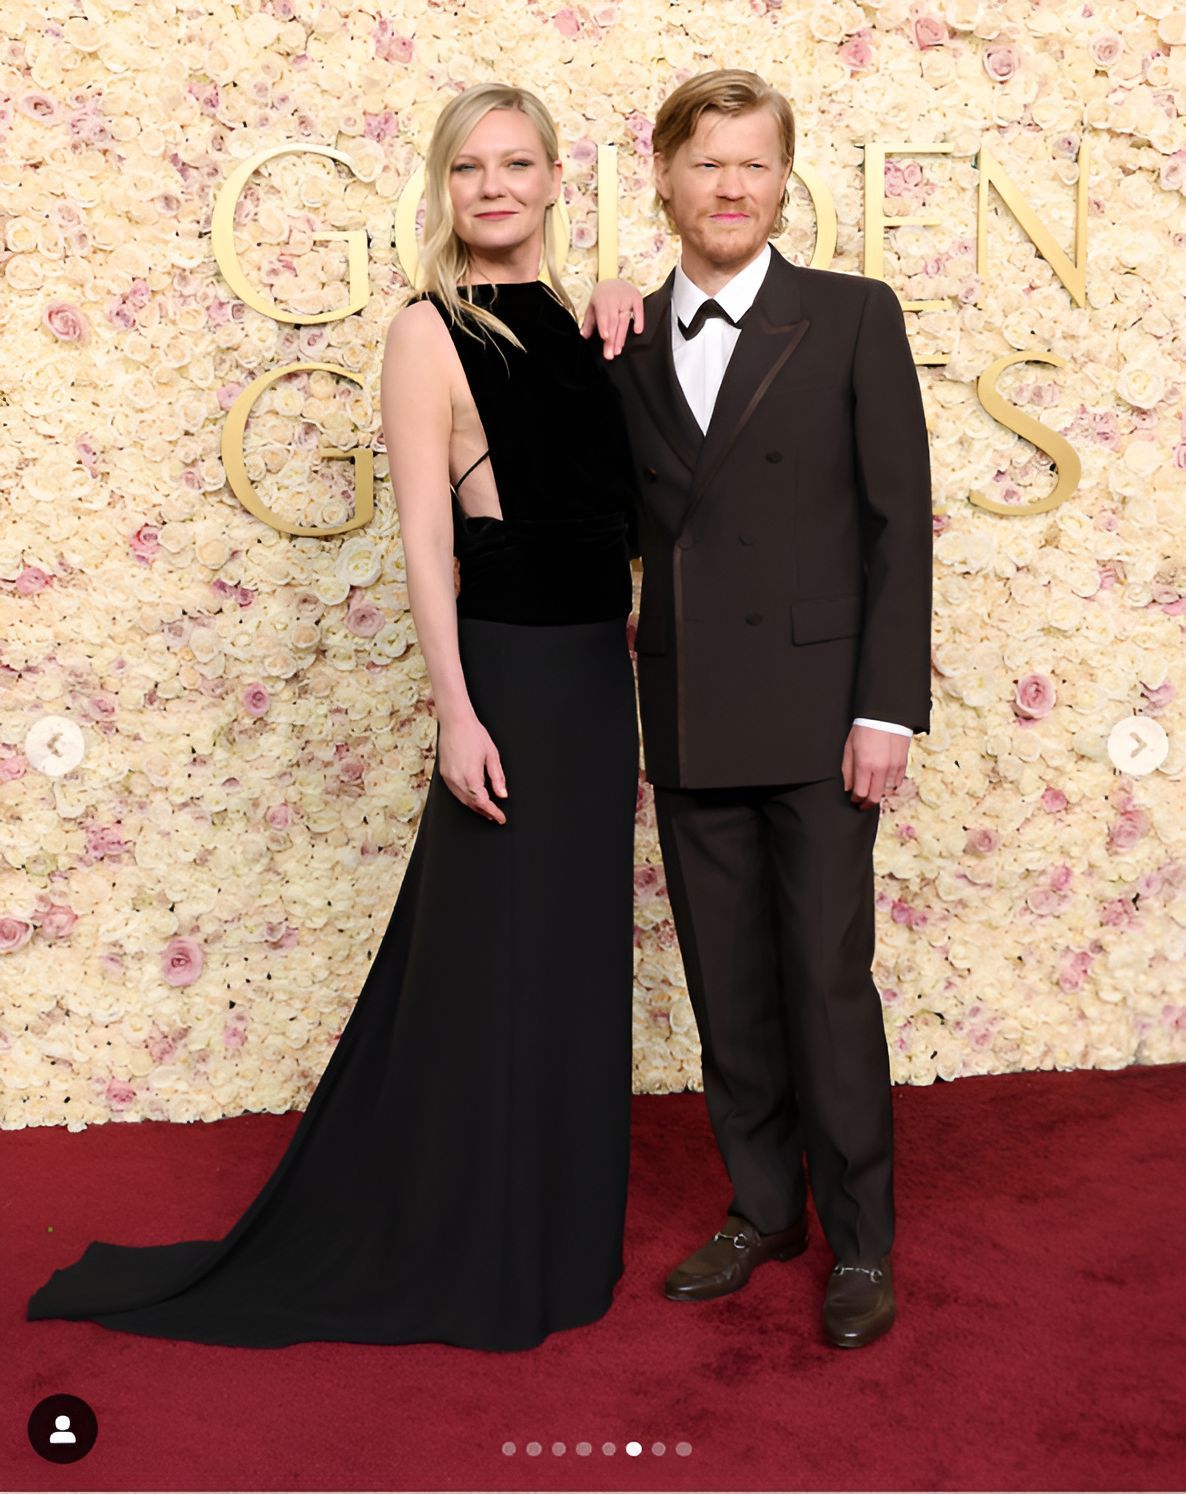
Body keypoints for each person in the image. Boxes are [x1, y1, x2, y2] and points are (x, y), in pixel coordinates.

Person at [27, 83, 646, 1352]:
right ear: (442, 188)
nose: (493, 187)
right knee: (493, 970)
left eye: (516, 163)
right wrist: (454, 713)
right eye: (468, 167)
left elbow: (621, 504)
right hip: (513, 683)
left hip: (598, 684)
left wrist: (624, 307)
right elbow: (425, 541)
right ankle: (474, 1238)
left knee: (573, 967)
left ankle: (560, 1231)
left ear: (551, 182)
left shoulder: (589, 326)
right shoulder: (428, 330)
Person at [599, 69, 933, 1348]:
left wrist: (885, 711)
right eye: (705, 164)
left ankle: (858, 1240)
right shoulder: (620, 341)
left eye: (753, 164)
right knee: (724, 982)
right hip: (685, 706)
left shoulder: (851, 315)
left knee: (823, 978)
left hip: (817, 712)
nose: (729, 187)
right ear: (665, 179)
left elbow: (897, 523)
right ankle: (760, 1206)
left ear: (784, 179)